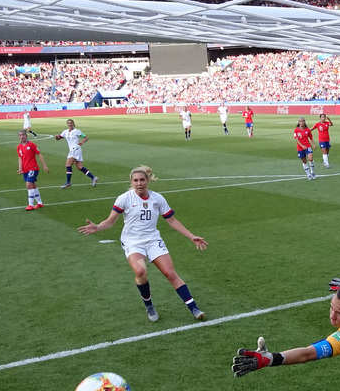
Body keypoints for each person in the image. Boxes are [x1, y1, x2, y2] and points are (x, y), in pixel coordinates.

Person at [77, 165, 208, 322]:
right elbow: (110, 221)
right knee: (140, 271)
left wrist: (191, 236)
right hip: (133, 242)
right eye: (136, 180)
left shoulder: (158, 198)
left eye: (142, 180)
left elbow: (172, 220)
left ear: (148, 181)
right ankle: (149, 305)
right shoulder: (124, 198)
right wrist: (98, 227)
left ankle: (194, 308)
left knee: (170, 273)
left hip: (153, 240)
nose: (139, 183)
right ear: (131, 182)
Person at [55, 119, 98, 189]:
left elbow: (86, 137)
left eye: (71, 123)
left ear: (73, 124)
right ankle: (93, 177)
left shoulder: (77, 131)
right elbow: (59, 138)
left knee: (68, 164)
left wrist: (82, 142)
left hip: (76, 149)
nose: (70, 124)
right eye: (68, 123)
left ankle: (68, 182)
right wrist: (57, 137)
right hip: (73, 150)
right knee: (79, 167)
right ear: (67, 124)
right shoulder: (65, 132)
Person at [16, 129, 48, 211]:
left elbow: (39, 154)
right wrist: (20, 168)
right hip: (25, 169)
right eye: (20, 135)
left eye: (23, 135)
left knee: (28, 184)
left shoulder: (31, 145)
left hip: (33, 168)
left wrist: (44, 166)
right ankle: (40, 203)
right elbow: (20, 158)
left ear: (26, 136)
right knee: (33, 185)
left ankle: (30, 205)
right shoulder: (19, 147)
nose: (22, 137)